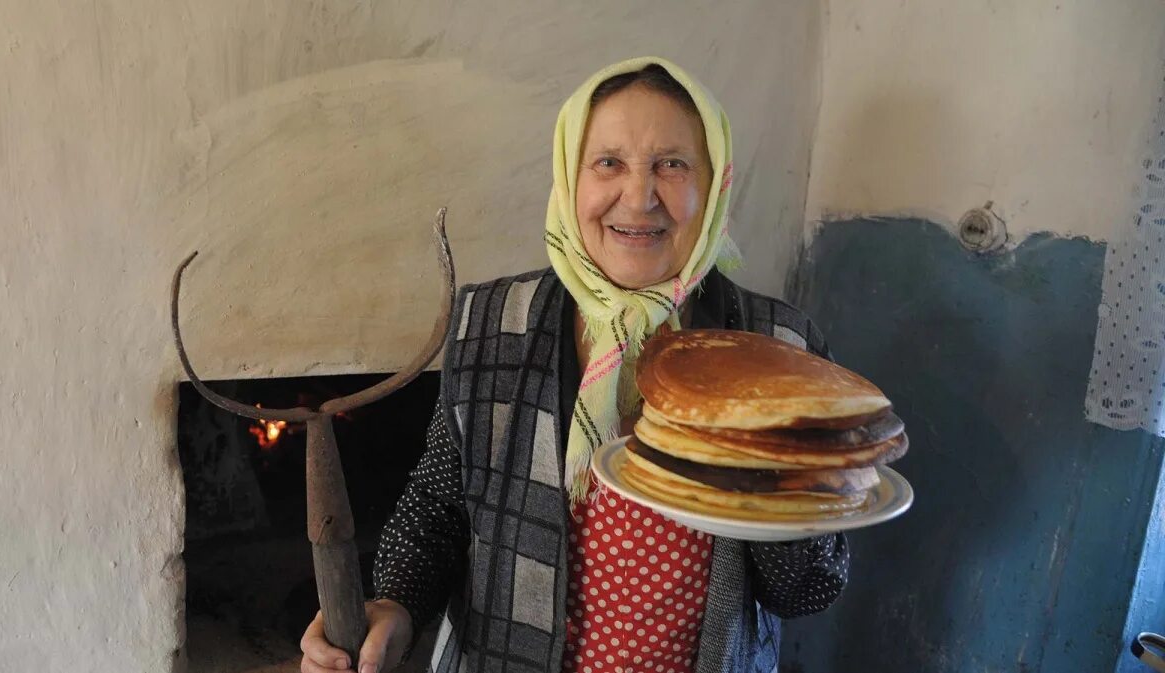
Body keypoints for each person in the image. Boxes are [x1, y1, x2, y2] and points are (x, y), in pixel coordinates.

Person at [300, 56, 848, 673]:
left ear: (715, 183)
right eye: (609, 162)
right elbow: (439, 506)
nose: (639, 198)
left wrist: (766, 479)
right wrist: (394, 605)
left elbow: (808, 589)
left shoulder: (780, 351)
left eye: (672, 164)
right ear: (569, 178)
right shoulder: (493, 323)